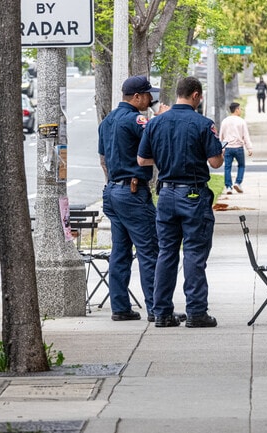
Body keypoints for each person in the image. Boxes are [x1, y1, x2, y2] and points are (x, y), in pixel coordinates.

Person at [137, 76, 224, 328]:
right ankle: (196, 311)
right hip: (193, 195)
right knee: (194, 253)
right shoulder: (203, 124)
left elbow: (142, 160)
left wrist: (168, 158)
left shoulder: (155, 124)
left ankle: (161, 312)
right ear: (195, 95)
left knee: (166, 252)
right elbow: (216, 162)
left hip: (166, 194)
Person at [98, 75, 179, 322]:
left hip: (112, 191)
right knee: (149, 250)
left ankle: (120, 307)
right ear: (136, 97)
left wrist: (116, 180)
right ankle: (157, 308)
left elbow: (103, 158)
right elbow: (156, 138)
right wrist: (164, 117)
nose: (150, 99)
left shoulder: (107, 121)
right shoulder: (136, 119)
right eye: (147, 95)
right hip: (133, 193)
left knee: (120, 252)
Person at [219, 102, 253, 194]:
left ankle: (228, 186)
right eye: (240, 109)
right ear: (236, 109)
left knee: (227, 167)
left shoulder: (225, 121)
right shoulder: (241, 121)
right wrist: (249, 148)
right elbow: (246, 136)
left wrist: (220, 148)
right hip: (238, 147)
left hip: (228, 148)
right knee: (241, 165)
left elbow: (221, 136)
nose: (240, 111)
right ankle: (238, 182)